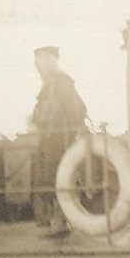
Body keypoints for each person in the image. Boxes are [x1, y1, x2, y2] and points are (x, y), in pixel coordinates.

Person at [30, 45, 87, 233]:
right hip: (50, 138)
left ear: (52, 60)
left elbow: (76, 112)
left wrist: (69, 134)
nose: (38, 64)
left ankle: (61, 222)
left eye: (42, 59)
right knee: (52, 178)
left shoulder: (62, 82)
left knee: (58, 177)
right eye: (37, 60)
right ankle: (59, 220)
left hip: (59, 140)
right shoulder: (52, 83)